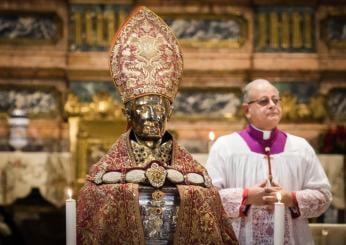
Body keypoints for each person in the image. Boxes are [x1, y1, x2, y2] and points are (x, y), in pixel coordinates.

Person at [77, 6, 238, 245]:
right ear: (128, 113)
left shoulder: (195, 173)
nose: (152, 116)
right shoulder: (104, 175)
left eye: (159, 108)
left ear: (169, 112)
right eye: (143, 108)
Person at [206, 79, 332, 245]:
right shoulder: (226, 147)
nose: (272, 105)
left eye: (276, 99)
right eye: (264, 101)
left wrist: (290, 198)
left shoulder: (300, 148)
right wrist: (247, 196)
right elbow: (208, 197)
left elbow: (323, 196)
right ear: (247, 110)